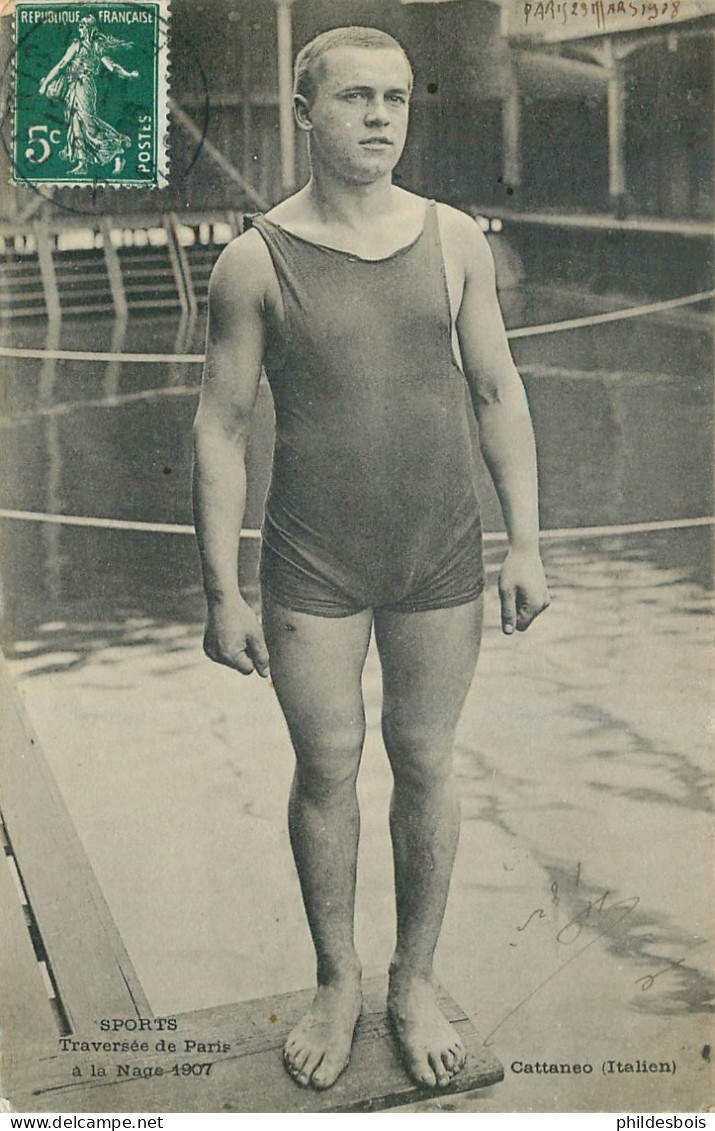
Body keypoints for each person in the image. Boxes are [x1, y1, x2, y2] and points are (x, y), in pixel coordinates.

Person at [192, 26, 550, 1093]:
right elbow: (217, 427)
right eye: (354, 98)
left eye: (395, 98)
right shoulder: (253, 259)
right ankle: (338, 980)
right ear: (307, 112)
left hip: (439, 549)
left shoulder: (453, 240)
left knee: (430, 762)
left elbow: (497, 392)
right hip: (312, 563)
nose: (380, 117)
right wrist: (219, 590)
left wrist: (527, 539)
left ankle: (416, 980)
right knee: (329, 768)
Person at [39, 15, 138, 175]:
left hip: (86, 86)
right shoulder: (76, 45)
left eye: (84, 25)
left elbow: (112, 66)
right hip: (73, 85)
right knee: (75, 121)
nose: (81, 28)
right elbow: (61, 65)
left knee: (89, 123)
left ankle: (117, 147)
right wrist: (45, 84)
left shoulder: (97, 46)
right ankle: (82, 162)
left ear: (92, 28)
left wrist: (128, 74)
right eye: (80, 25)